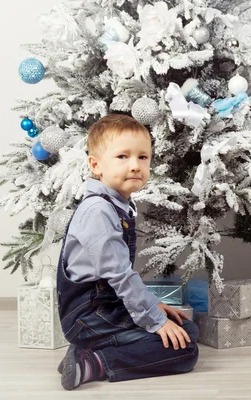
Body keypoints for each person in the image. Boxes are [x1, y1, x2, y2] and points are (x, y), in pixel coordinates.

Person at [56, 114, 199, 390]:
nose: (135, 166)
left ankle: (90, 353)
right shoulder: (97, 210)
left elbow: (121, 276)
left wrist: (154, 307)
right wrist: (153, 320)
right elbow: (120, 274)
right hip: (89, 317)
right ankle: (92, 360)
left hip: (110, 308)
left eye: (143, 157)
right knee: (185, 351)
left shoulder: (117, 205)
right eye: (123, 157)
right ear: (96, 165)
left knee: (186, 330)